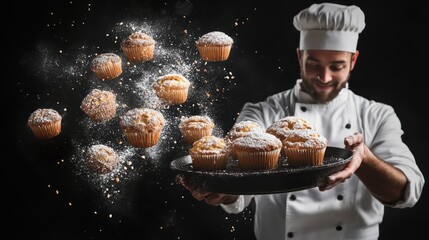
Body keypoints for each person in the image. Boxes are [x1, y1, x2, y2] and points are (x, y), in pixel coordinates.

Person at [177, 2, 425, 239]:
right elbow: (237, 186)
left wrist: (365, 159)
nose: (325, 77)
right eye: (313, 64)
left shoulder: (377, 115)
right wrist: (220, 189)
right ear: (299, 56)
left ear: (353, 61)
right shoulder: (263, 112)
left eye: (337, 66)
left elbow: (406, 193)